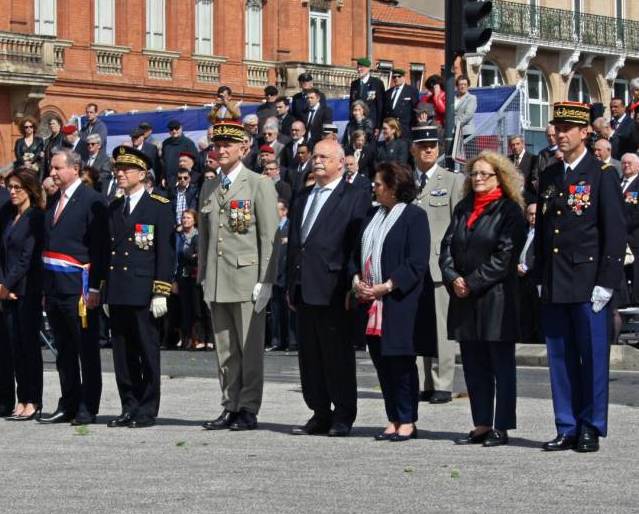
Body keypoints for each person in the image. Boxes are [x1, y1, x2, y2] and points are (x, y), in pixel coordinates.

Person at [534, 101, 626, 453]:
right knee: (560, 358)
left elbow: (613, 232)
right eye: (556, 127)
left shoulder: (602, 174)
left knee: (592, 359)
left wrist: (607, 281)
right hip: (556, 280)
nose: (558, 134)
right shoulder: (551, 175)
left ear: (584, 132)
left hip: (588, 282)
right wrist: (541, 273)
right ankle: (567, 424)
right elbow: (545, 230)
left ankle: (591, 425)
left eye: (566, 128)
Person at [440, 150, 527, 447]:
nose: (477, 178)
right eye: (474, 173)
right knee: (474, 365)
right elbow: (447, 246)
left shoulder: (509, 211)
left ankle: (501, 425)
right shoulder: (464, 207)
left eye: (484, 174)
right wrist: (453, 278)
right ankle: (480, 423)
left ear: (499, 177)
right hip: (464, 297)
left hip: (496, 298)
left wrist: (473, 281)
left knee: (500, 366)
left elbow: (504, 257)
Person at [198, 120, 279, 431]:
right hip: (218, 279)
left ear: (244, 148)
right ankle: (229, 403)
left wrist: (267, 279)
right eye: (217, 145)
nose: (220, 150)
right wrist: (204, 274)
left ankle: (248, 406)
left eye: (227, 145)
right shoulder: (209, 186)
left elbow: (269, 236)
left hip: (247, 280)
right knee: (224, 349)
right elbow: (206, 237)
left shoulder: (258, 184)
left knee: (249, 348)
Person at [287, 139, 370, 437]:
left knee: (336, 355)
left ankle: (343, 414)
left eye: (324, 157)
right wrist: (290, 283)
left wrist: (353, 283)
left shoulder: (354, 196)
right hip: (303, 287)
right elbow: (296, 245)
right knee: (309, 357)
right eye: (315, 157)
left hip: (334, 288)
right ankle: (319, 412)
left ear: (340, 162)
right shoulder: (303, 196)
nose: (317, 161)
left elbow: (355, 244)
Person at [353, 162, 431, 441]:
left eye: (378, 183)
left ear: (394, 186)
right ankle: (392, 417)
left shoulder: (414, 216)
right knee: (381, 363)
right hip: (371, 303)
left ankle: (408, 418)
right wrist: (357, 281)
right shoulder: (372, 215)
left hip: (399, 302)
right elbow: (356, 253)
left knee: (401, 363)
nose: (374, 187)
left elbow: (416, 261)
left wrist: (386, 286)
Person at [105, 145, 174, 428]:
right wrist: (104, 290)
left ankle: (147, 408)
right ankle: (128, 405)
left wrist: (161, 289)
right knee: (122, 355)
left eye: (126, 169)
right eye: (117, 169)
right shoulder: (113, 207)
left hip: (144, 290)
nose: (120, 174)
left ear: (142, 174)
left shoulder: (158, 206)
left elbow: (165, 252)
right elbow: (105, 251)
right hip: (119, 289)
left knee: (147, 352)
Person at [38, 149, 108, 426]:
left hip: (79, 289)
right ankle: (68, 401)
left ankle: (87, 405)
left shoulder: (92, 200)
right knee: (64, 350)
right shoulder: (55, 199)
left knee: (85, 350)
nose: (52, 173)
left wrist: (95, 288)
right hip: (55, 287)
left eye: (57, 168)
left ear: (74, 169)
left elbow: (100, 248)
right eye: (51, 168)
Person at [411, 126, 465, 404]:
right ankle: (426, 382)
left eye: (432, 145)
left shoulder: (452, 181)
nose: (428, 149)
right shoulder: (408, 182)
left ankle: (443, 382)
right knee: (420, 327)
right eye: (422, 145)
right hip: (413, 266)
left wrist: (453, 264)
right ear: (413, 149)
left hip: (438, 265)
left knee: (442, 328)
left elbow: (459, 225)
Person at [0, 169, 45, 421]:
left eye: (18, 187)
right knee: (14, 346)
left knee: (29, 346)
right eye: (10, 187)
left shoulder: (35, 217)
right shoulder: (8, 216)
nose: (13, 192)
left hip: (26, 289)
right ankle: (21, 397)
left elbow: (27, 257)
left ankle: (34, 399)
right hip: (7, 291)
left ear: (29, 189)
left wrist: (7, 285)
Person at [174, 209, 208, 351]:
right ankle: (187, 338)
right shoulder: (178, 236)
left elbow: (197, 256)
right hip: (182, 276)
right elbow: (176, 257)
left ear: (194, 220)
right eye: (183, 218)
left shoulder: (198, 236)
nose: (185, 220)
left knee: (198, 309)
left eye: (188, 218)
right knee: (185, 309)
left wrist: (191, 255)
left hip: (196, 277)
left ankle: (200, 338)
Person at [267, 199, 295, 352]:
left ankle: (291, 341)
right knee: (276, 310)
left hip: (286, 273)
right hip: (274, 274)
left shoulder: (291, 227)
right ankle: (277, 340)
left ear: (284, 211)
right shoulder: (271, 228)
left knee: (289, 310)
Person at [517, 201, 542, 343]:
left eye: (535, 214)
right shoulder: (523, 232)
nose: (533, 217)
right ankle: (525, 337)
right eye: (530, 214)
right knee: (524, 309)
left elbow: (540, 254)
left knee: (536, 310)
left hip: (535, 276)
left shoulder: (543, 233)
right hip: (521, 277)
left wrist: (527, 267)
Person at [621, 153, 639, 303]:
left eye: (629, 163)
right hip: (620, 236)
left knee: (635, 270)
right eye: (624, 163)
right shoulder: (619, 182)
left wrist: (621, 226)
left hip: (633, 235)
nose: (626, 165)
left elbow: (636, 212)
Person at [349, 57, 385, 132]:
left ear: (368, 68)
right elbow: (351, 105)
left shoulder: (377, 83)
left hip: (371, 124)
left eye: (361, 67)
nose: (359, 69)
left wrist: (378, 126)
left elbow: (380, 106)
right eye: (358, 67)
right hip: (357, 123)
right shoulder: (354, 84)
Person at [161, 120, 199, 188]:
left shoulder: (188, 143)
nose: (174, 131)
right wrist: (163, 177)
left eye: (176, 128)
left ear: (181, 128)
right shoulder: (165, 144)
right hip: (169, 182)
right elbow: (163, 163)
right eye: (171, 129)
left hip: (184, 182)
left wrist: (191, 180)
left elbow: (197, 164)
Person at [383, 69, 419, 140]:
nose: (396, 79)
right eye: (394, 77)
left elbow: (415, 109)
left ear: (403, 77)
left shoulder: (411, 91)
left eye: (399, 76)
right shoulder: (388, 92)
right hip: (391, 129)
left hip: (405, 129)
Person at [454, 75, 477, 139]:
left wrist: (455, 124)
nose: (463, 86)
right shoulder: (453, 98)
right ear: (457, 86)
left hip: (466, 132)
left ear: (468, 86)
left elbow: (468, 115)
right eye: (460, 84)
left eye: (465, 84)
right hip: (454, 132)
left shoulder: (472, 98)